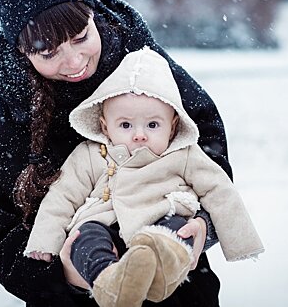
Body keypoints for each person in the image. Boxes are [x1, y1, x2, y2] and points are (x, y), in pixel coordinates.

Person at [0, 0, 235, 306]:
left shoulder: (144, 68)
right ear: (22, 51)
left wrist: (203, 223)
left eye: (80, 38)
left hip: (178, 289)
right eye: (49, 53)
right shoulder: (3, 120)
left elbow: (206, 146)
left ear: (92, 13)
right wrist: (61, 278)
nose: (75, 62)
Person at [24, 47, 264, 307]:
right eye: (125, 125)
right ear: (105, 126)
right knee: (85, 240)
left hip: (163, 213)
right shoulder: (92, 153)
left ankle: (162, 271)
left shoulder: (183, 153)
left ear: (172, 126)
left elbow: (219, 190)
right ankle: (110, 281)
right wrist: (45, 241)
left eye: (153, 125)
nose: (139, 135)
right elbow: (62, 196)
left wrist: (239, 240)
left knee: (173, 233)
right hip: (103, 220)